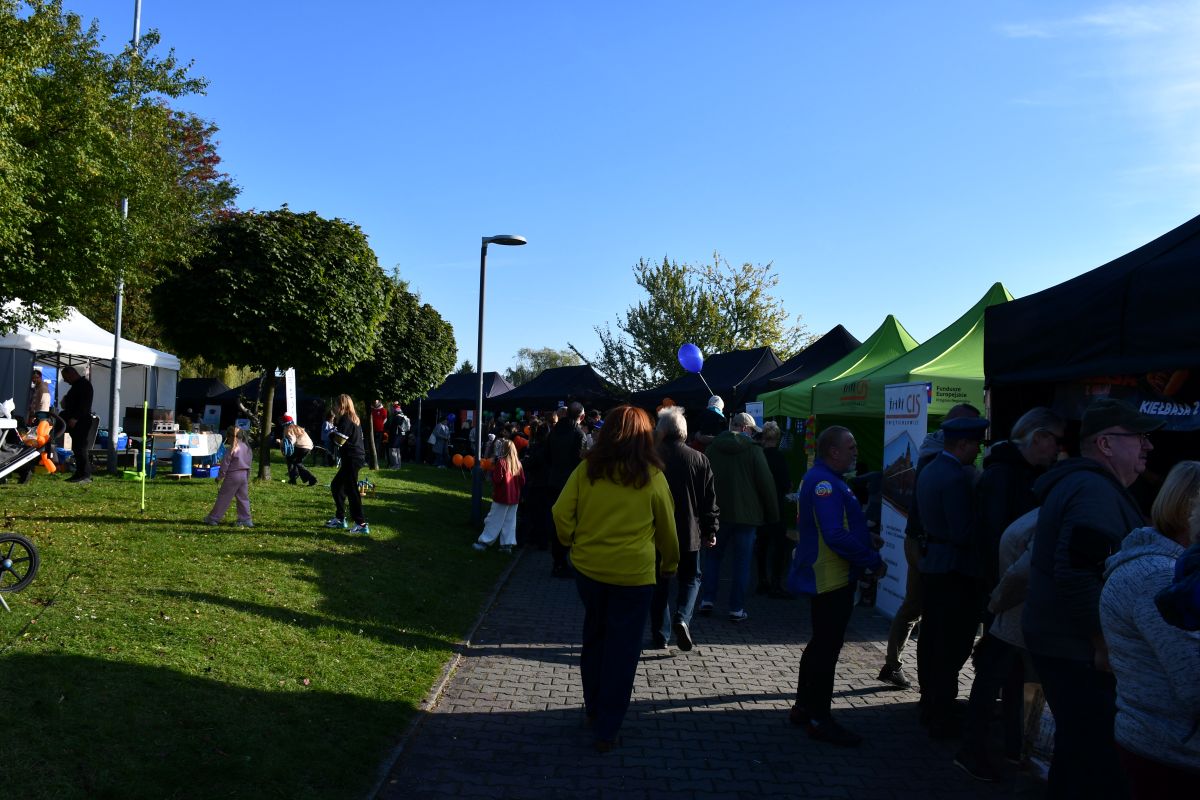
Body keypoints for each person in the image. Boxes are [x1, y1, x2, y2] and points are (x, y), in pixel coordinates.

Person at [1023, 398, 1161, 798]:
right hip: (1077, 649)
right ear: (1105, 444)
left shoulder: (1088, 486)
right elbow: (1077, 570)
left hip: (1065, 643)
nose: (1148, 447)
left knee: (1077, 751)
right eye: (1139, 438)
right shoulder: (1092, 490)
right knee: (1095, 762)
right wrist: (1102, 642)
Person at [552, 405, 679, 753]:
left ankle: (593, 709)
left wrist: (570, 541)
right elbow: (668, 528)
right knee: (623, 650)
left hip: (589, 570)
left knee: (595, 638)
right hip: (634, 577)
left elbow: (560, 512)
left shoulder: (587, 469)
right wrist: (670, 563)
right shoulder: (652, 476)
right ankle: (608, 726)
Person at [1101, 461, 1200, 796]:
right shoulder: (1160, 575)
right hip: (1169, 751)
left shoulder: (1162, 566)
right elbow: (1193, 681)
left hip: (1161, 744)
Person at [786, 425, 885, 746]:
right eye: (852, 446)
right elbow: (834, 534)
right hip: (830, 578)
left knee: (820, 645)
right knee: (827, 648)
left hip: (829, 575)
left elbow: (838, 528)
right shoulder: (825, 482)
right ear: (834, 452)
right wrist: (871, 558)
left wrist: (864, 537)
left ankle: (804, 707)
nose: (857, 452)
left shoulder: (826, 479)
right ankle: (819, 718)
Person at [878, 402, 982, 688]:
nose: (977, 443)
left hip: (920, 540)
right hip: (928, 545)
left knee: (916, 608)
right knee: (921, 610)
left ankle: (895, 665)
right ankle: (898, 666)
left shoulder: (931, 453)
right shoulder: (943, 461)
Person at [915, 414, 989, 739]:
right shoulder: (956, 478)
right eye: (975, 445)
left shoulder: (930, 469)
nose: (977, 451)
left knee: (933, 640)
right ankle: (942, 712)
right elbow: (962, 532)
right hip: (954, 568)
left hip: (934, 564)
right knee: (952, 644)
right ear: (962, 444)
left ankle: (930, 703)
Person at [650, 406, 719, 651]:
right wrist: (711, 530)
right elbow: (708, 500)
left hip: (655, 532)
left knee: (659, 583)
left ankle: (660, 634)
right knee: (691, 578)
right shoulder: (699, 459)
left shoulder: (650, 457)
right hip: (690, 531)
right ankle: (683, 616)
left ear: (663, 431)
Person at [698, 412, 778, 622]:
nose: (753, 435)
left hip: (717, 514)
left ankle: (707, 600)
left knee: (713, 559)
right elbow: (766, 484)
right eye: (752, 431)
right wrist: (772, 515)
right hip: (747, 517)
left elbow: (704, 482)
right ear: (745, 428)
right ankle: (736, 608)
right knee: (742, 564)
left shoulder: (712, 448)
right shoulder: (754, 451)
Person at [546, 402, 587, 578]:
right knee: (574, 523)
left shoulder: (554, 431)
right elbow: (580, 462)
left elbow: (547, 455)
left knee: (557, 522)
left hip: (554, 480)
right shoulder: (578, 434)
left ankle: (558, 561)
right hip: (571, 484)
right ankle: (567, 562)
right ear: (582, 417)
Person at [755, 421, 793, 598]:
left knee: (761, 546)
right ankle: (776, 582)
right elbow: (786, 484)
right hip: (776, 506)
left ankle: (762, 580)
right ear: (777, 438)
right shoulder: (779, 457)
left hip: (759, 506)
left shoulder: (759, 455)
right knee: (779, 547)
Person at [325, 394, 370, 534]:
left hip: (352, 458)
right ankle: (340, 519)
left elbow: (339, 441)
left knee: (351, 490)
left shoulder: (346, 419)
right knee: (337, 486)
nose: (334, 407)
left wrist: (331, 433)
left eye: (336, 405)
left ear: (342, 405)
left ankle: (361, 524)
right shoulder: (351, 419)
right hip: (353, 457)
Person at [473, 438, 525, 554]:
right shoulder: (518, 463)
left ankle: (484, 542)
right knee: (510, 521)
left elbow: (497, 479)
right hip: (514, 497)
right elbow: (522, 481)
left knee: (494, 519)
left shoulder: (501, 462)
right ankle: (507, 545)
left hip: (502, 496)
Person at [204, 426, 253, 527]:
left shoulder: (232, 449)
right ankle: (246, 519)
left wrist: (219, 477)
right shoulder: (247, 447)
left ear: (230, 437)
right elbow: (249, 464)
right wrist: (247, 476)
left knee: (224, 497)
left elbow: (224, 465)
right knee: (243, 498)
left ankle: (213, 518)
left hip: (232, 475)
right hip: (243, 475)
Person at [59, 365, 97, 484]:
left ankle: (85, 475)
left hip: (81, 421)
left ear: (71, 374)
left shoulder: (84, 385)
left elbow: (84, 405)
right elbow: (71, 403)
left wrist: (75, 418)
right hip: (75, 421)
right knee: (76, 448)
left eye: (65, 377)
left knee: (81, 448)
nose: (65, 380)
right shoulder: (76, 386)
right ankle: (79, 473)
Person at [279, 415, 318, 486]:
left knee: (290, 459)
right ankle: (299, 477)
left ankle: (307, 478)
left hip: (301, 446)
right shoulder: (298, 427)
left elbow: (291, 440)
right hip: (309, 446)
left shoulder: (289, 428)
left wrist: (281, 442)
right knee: (297, 462)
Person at [387, 403, 410, 468]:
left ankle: (395, 465)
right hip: (401, 435)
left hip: (395, 435)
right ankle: (398, 465)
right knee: (397, 450)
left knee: (393, 450)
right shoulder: (404, 416)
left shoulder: (397, 417)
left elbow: (392, 427)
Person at [370, 399, 387, 466]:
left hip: (379, 430)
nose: (375, 403)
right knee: (371, 444)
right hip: (372, 430)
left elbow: (385, 419)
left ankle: (376, 459)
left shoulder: (383, 410)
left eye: (376, 402)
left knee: (377, 445)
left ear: (379, 402)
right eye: (374, 402)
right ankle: (371, 459)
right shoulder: (372, 410)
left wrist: (381, 425)